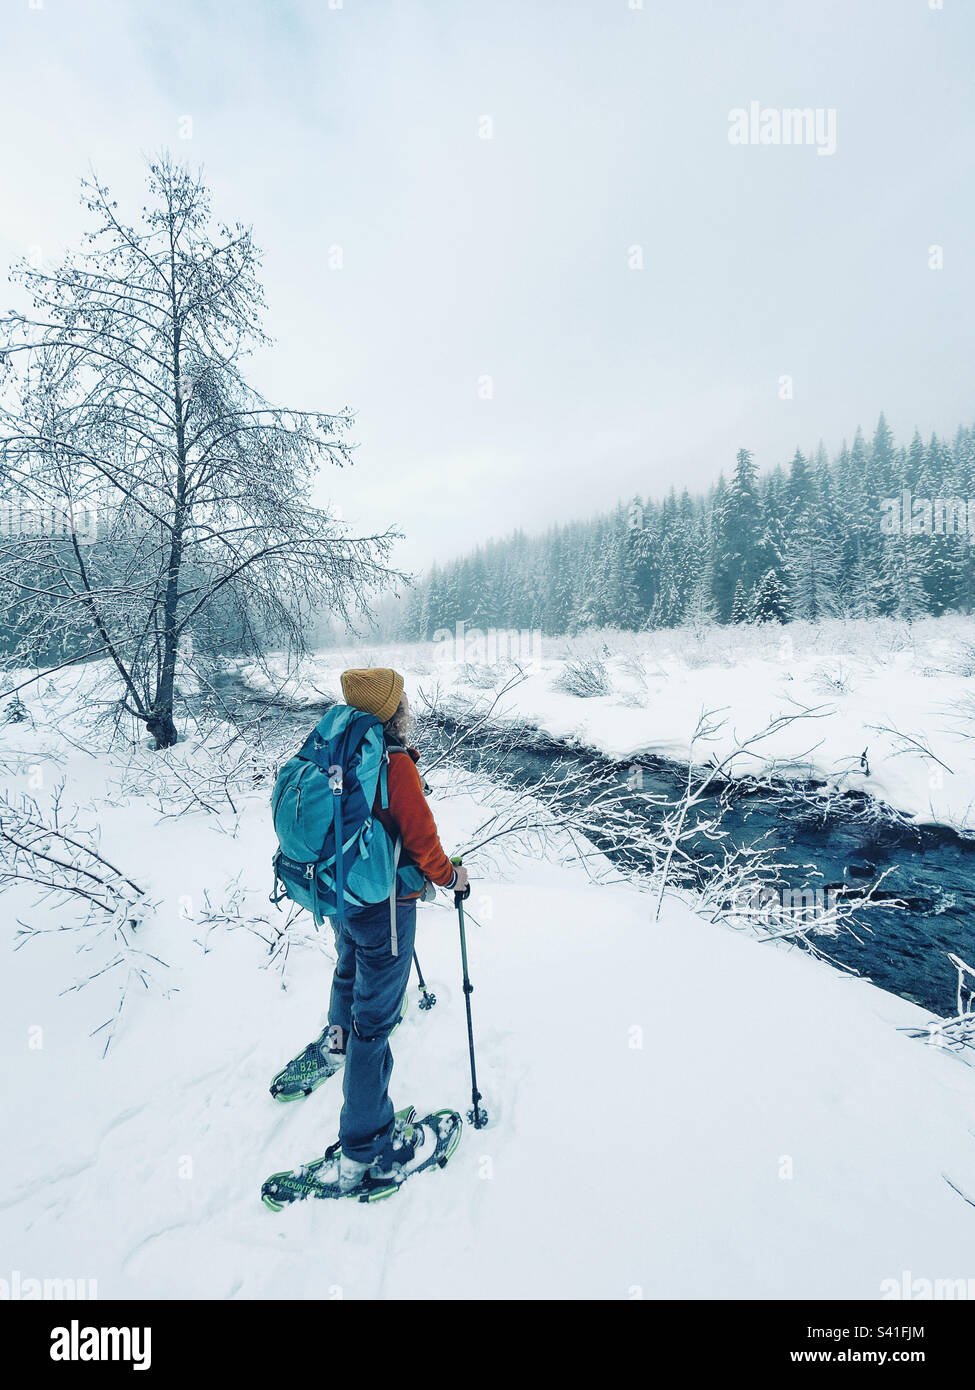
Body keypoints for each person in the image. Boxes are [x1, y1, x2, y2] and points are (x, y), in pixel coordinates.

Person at [319, 667, 467, 1191]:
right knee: (375, 1025)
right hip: (384, 908)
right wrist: (451, 876)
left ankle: (333, 1043)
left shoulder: (331, 743)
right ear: (392, 708)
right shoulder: (392, 761)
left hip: (339, 895)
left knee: (347, 969)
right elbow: (423, 841)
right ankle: (368, 1148)